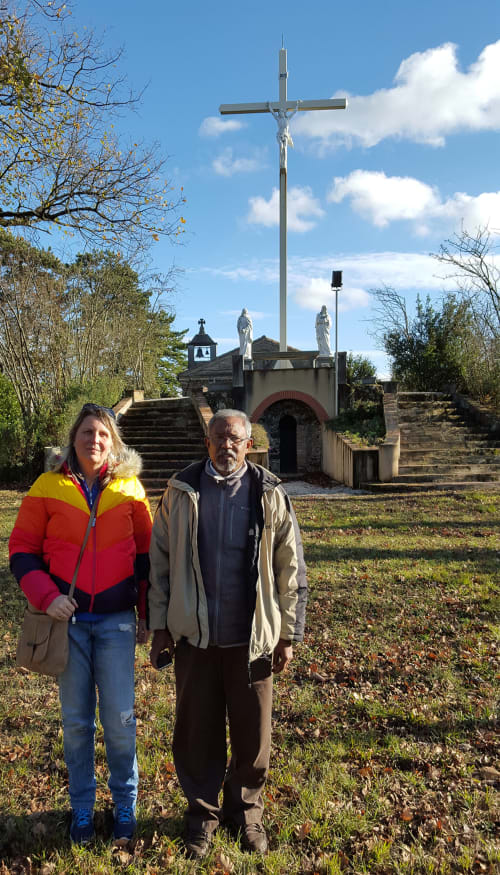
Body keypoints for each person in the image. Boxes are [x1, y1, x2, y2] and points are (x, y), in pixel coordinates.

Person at [148, 409, 307, 859]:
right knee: (196, 734)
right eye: (217, 438)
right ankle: (201, 816)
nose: (226, 446)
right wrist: (159, 626)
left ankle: (246, 814)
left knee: (253, 736)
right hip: (195, 640)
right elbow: (159, 561)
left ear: (249, 443)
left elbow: (289, 565)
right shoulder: (181, 490)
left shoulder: (269, 492)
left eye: (234, 439)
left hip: (252, 640)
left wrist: (288, 633)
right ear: (207, 443)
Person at [9, 403, 152, 845]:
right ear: (74, 437)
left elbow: (147, 560)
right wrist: (47, 598)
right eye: (88, 431)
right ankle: (83, 811)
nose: (95, 440)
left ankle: (125, 805)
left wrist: (146, 614)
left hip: (116, 623)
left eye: (104, 434)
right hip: (66, 626)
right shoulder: (47, 486)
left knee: (120, 720)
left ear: (115, 442)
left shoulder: (130, 488)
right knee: (76, 723)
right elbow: (22, 551)